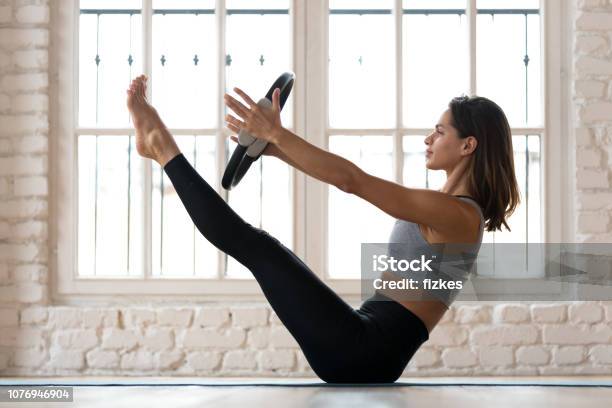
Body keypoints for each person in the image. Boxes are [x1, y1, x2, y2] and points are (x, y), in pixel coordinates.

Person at [126, 74, 520, 383]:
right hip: (363, 342)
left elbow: (352, 180)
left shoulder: (459, 216)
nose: (428, 139)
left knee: (256, 246)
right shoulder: (448, 209)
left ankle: (160, 145)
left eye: (440, 131)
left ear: (468, 145)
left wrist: (278, 134)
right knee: (258, 247)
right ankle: (160, 145)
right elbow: (347, 177)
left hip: (363, 352)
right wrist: (276, 148)